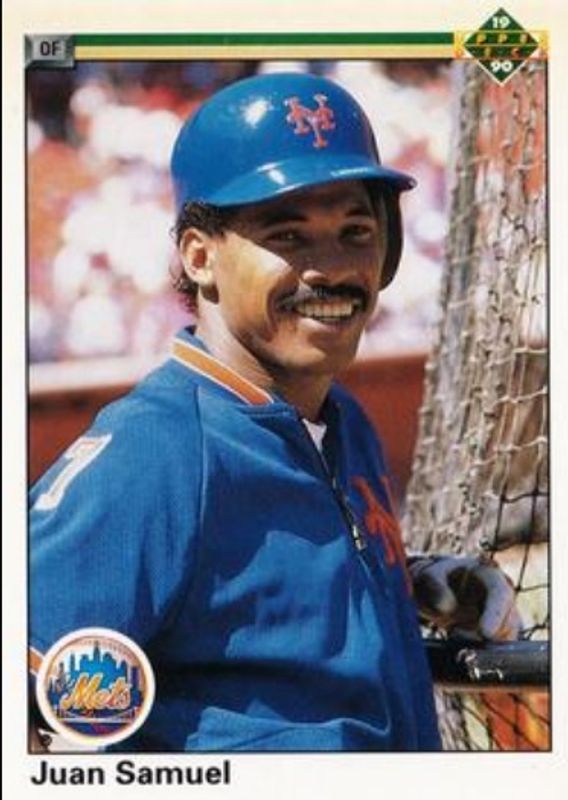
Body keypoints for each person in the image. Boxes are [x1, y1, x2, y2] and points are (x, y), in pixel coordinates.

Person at [29, 71, 520, 752]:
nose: (332, 267)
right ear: (200, 256)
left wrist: (402, 582)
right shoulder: (157, 450)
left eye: (355, 230)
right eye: (288, 236)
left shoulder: (343, 422)